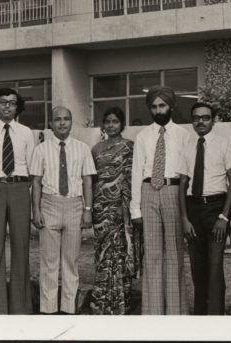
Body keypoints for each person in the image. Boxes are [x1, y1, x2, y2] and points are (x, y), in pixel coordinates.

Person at [31, 106, 96, 314]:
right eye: (57, 119)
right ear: (50, 124)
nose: (62, 123)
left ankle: (69, 309)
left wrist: (87, 209)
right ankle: (48, 309)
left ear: (71, 122)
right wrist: (36, 211)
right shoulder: (41, 149)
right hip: (49, 204)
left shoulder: (82, 148)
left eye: (66, 119)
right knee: (49, 262)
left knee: (71, 261)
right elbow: (36, 182)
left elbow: (87, 180)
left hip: (74, 206)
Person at [130, 85, 189, 315]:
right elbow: (136, 172)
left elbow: (187, 174)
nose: (158, 110)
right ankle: (152, 313)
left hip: (173, 191)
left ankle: (176, 312)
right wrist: (136, 209)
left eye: (162, 105)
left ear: (171, 106)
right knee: (152, 255)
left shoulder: (184, 135)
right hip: (148, 191)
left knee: (174, 254)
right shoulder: (143, 135)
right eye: (154, 107)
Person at [0, 87, 36, 314]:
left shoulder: (26, 132)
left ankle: (21, 307)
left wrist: (22, 186)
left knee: (21, 246)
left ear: (17, 106)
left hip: (20, 188)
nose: (7, 106)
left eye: (12, 102)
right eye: (3, 102)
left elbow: (32, 166)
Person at [178, 101, 231, 315]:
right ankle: (200, 318)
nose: (200, 121)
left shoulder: (224, 144)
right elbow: (183, 184)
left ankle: (216, 318)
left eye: (205, 117)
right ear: (192, 121)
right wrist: (184, 218)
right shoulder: (187, 147)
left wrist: (224, 216)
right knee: (197, 267)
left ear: (213, 120)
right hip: (193, 210)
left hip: (216, 209)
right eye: (196, 117)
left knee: (214, 267)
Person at [90, 106, 138, 315]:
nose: (111, 125)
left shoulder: (129, 147)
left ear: (122, 124)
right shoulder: (96, 149)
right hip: (100, 208)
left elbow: (130, 178)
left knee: (118, 254)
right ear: (103, 124)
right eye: (108, 121)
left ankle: (120, 303)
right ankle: (102, 302)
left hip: (120, 207)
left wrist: (123, 205)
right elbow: (93, 180)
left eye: (115, 121)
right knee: (102, 254)